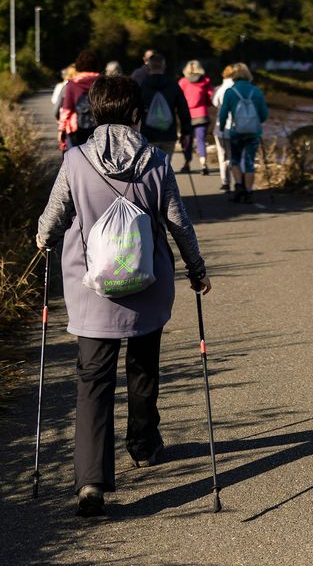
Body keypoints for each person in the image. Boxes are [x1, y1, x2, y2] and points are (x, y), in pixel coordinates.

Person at [36, 75, 211, 517]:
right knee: (143, 366)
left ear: (95, 112)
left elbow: (52, 220)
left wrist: (43, 240)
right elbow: (178, 223)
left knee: (92, 380)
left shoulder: (76, 160)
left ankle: (91, 482)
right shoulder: (155, 160)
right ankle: (143, 445)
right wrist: (197, 269)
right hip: (148, 285)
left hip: (91, 290)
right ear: (136, 114)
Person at [217, 63, 269, 203]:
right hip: (253, 132)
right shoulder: (256, 91)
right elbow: (264, 114)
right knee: (249, 161)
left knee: (235, 159)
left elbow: (223, 113)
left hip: (236, 131)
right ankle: (249, 192)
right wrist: (256, 122)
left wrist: (221, 127)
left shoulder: (230, 92)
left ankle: (239, 186)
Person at [138, 53, 192, 159]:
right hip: (168, 134)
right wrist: (185, 133)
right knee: (165, 168)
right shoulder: (173, 85)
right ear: (164, 66)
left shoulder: (142, 86)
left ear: (149, 66)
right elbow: (183, 109)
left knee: (149, 169)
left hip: (148, 135)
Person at [59, 50, 101, 150]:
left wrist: (61, 129)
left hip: (76, 128)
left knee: (76, 158)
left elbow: (67, 109)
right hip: (99, 127)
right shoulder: (103, 81)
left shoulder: (73, 84)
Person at [178, 59, 213, 175]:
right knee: (201, 140)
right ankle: (203, 163)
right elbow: (210, 98)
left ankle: (187, 163)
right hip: (202, 114)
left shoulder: (183, 82)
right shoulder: (205, 81)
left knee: (187, 140)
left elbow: (179, 99)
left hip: (187, 115)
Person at [211, 64, 236, 193]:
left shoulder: (220, 89)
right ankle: (238, 181)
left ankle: (225, 181)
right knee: (234, 155)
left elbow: (214, 103)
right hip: (235, 126)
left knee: (222, 155)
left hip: (221, 126)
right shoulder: (237, 88)